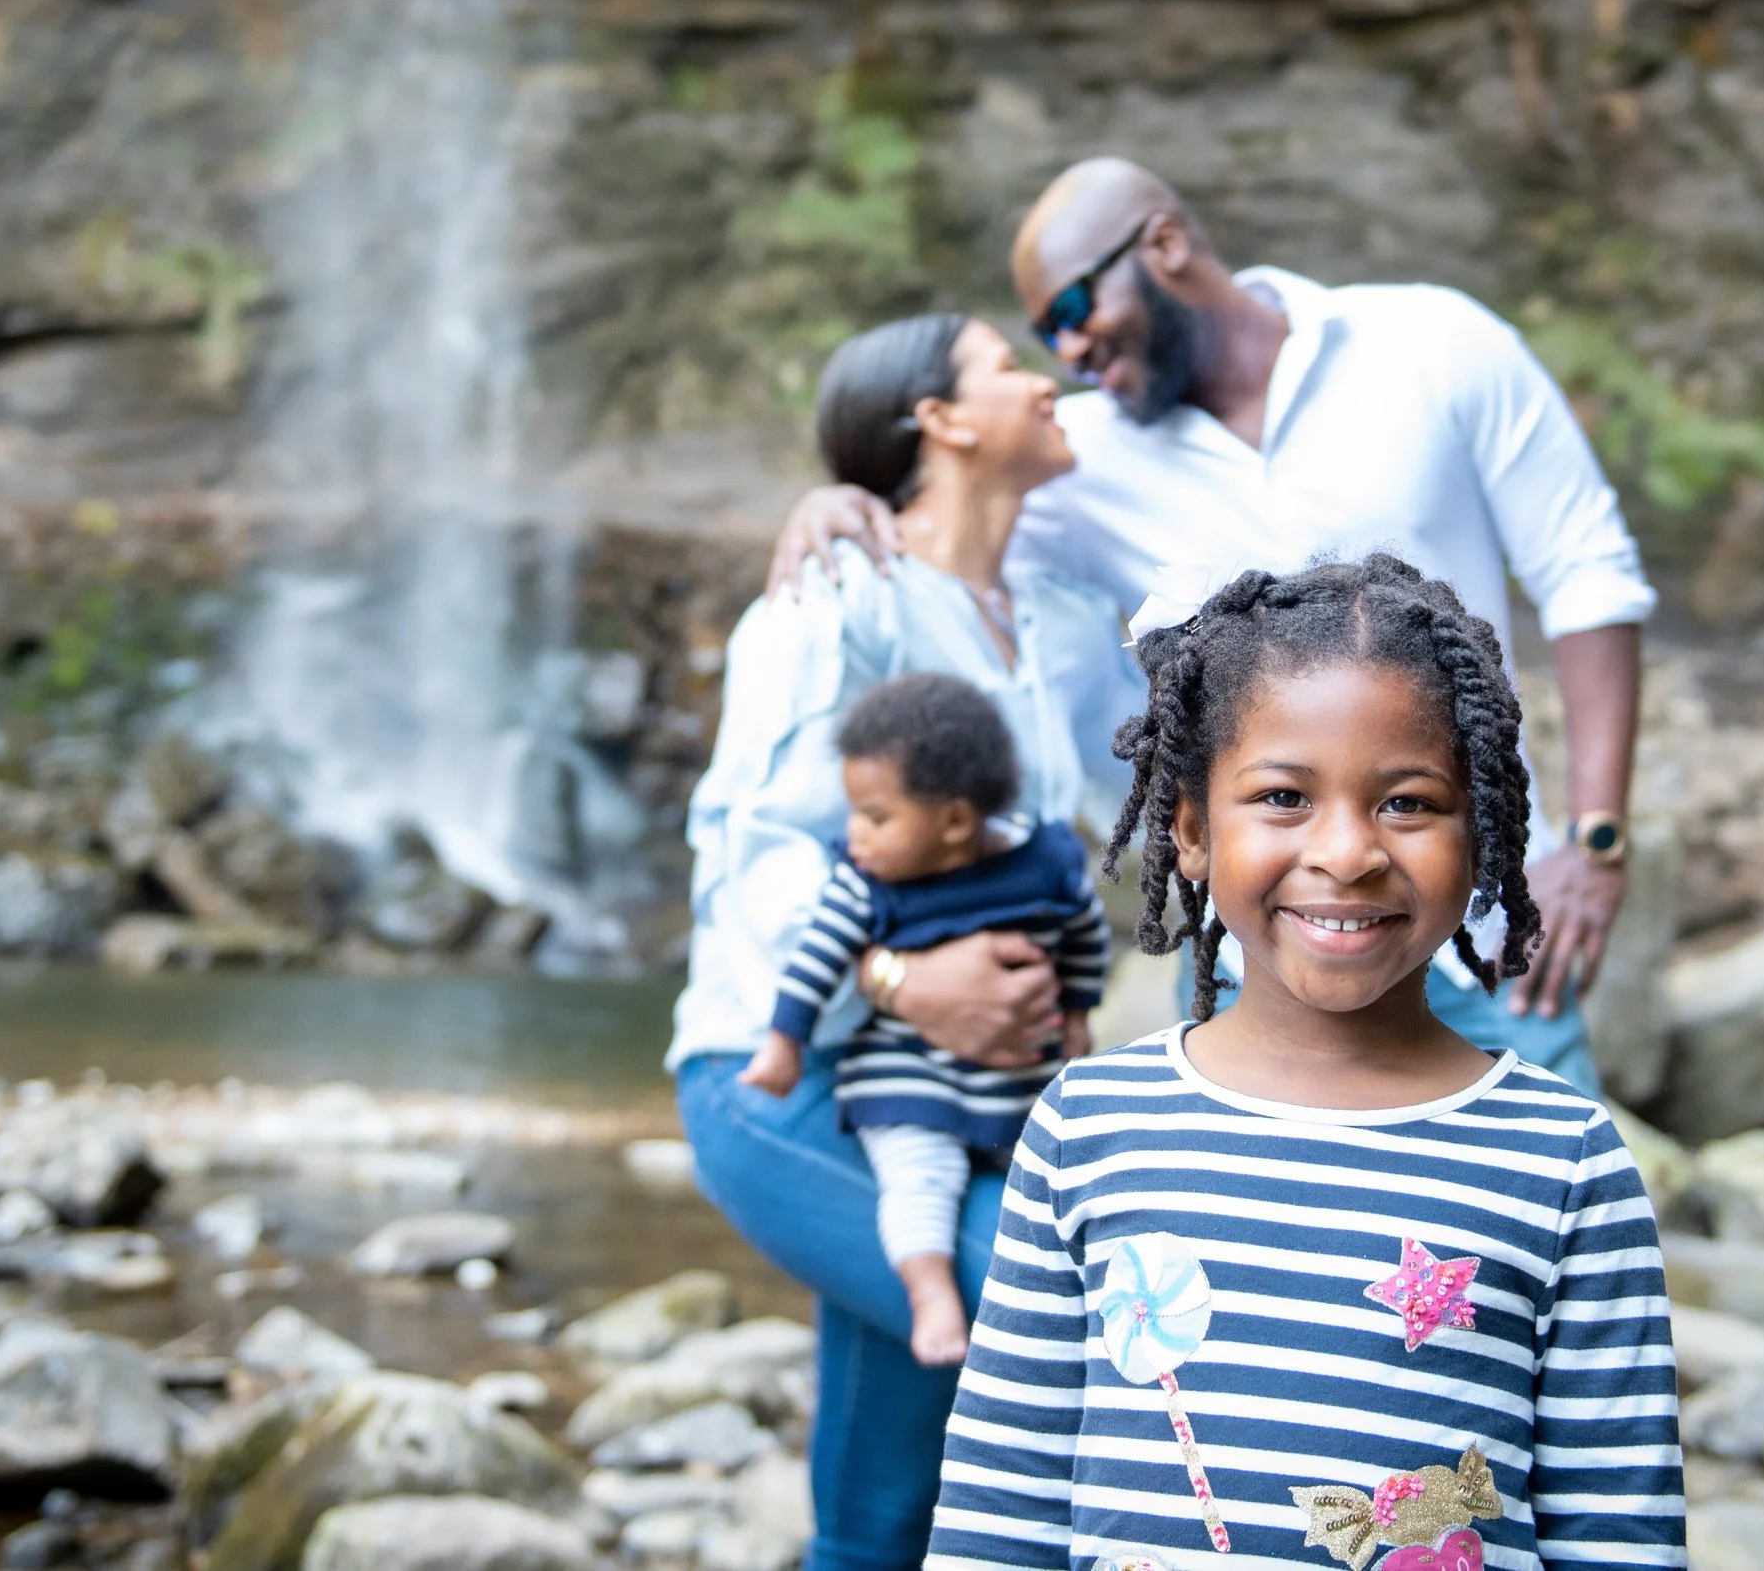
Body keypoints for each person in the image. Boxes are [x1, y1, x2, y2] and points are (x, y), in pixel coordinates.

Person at [770, 158, 1654, 1101]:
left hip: (1478, 916)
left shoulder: (1434, 342)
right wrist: (835, 499)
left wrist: (1594, 844)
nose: (1068, 351)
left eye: (1073, 307)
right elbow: (941, 518)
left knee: (1543, 1205)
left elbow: (1587, 572)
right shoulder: (1081, 458)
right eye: (1042, 336)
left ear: (1164, 243)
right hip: (1261, 956)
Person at [928, 557, 1684, 1570]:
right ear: (1192, 830)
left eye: (1408, 804)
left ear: (1485, 835)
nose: (1347, 851)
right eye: (1282, 796)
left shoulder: (1565, 1160)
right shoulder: (1090, 1125)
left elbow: (1621, 1537)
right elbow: (997, 1510)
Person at [672, 313, 1140, 1571]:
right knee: (1073, 1347)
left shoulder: (1055, 618)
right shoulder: (839, 592)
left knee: (880, 1509)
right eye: (1007, 365)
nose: (1046, 382)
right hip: (789, 1080)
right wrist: (902, 980)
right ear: (936, 420)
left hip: (976, 1101)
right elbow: (756, 850)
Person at [741, 672, 1108, 1368]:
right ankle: (929, 1287)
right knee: (919, 1176)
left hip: (1018, 1082)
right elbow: (816, 959)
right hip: (907, 1080)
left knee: (1058, 1168)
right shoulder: (866, 883)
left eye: (875, 817)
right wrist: (783, 1042)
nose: (853, 837)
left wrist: (1078, 1011)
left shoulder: (1048, 861)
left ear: (955, 823)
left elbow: (1086, 931)